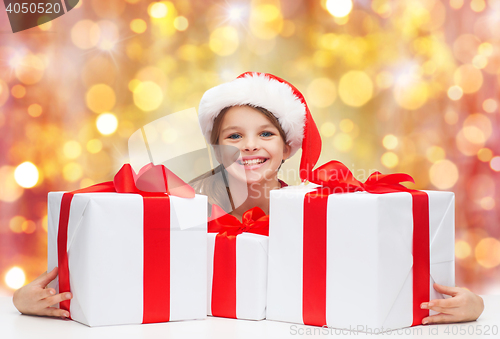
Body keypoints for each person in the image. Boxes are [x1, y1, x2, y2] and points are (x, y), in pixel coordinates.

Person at [13, 72, 484, 325]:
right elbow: (106, 247)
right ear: (215, 145)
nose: (248, 146)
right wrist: (23, 299)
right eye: (233, 135)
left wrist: (471, 307)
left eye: (264, 134)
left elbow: (381, 264)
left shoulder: (316, 210)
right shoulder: (181, 204)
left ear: (288, 146)